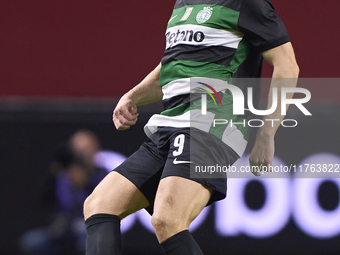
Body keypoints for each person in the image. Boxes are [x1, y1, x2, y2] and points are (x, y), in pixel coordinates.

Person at [83, 0, 299, 254]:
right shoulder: (183, 4)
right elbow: (172, 67)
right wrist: (132, 96)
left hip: (212, 125)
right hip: (169, 124)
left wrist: (267, 134)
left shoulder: (246, 3)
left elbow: (287, 64)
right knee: (99, 206)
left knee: (168, 220)